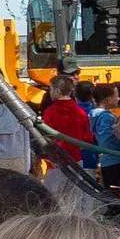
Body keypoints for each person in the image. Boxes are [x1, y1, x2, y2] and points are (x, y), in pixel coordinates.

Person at [39, 72, 95, 202]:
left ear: (57, 91)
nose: (50, 92)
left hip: (56, 162)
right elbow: (87, 137)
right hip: (76, 160)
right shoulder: (80, 112)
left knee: (51, 199)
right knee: (73, 200)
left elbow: (45, 136)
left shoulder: (50, 112)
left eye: (51, 89)